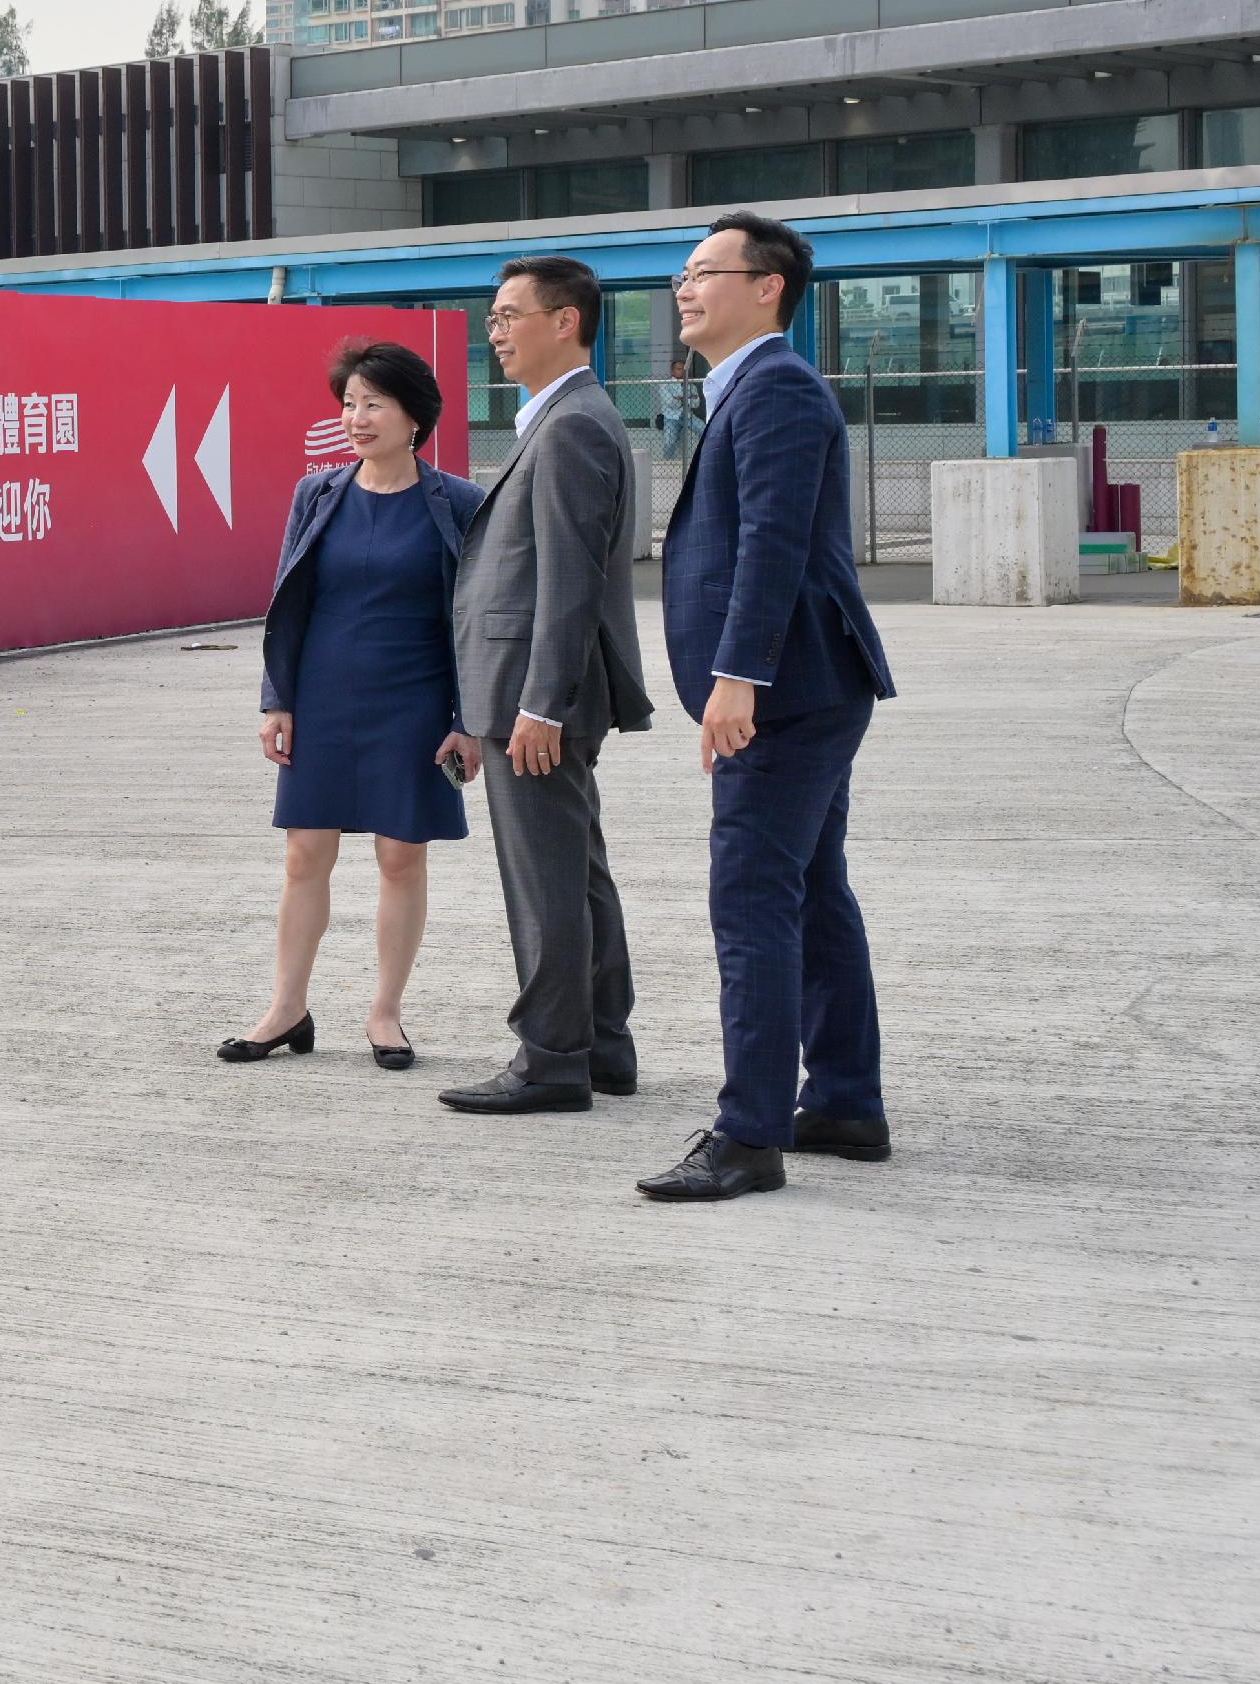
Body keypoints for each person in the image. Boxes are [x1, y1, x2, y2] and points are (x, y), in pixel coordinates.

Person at [641, 211, 897, 1204]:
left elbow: (774, 545)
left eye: (707, 271)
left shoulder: (778, 388)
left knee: (750, 899)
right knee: (811, 894)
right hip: (809, 686)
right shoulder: (746, 389)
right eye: (682, 273)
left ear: (768, 289)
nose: (684, 288)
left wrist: (735, 678)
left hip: (785, 691)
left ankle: (747, 1136)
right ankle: (842, 1101)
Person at [433, 256, 659, 1119]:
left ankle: (552, 1057)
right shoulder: (565, 418)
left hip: (536, 696)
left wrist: (539, 704)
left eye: (509, 314)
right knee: (576, 869)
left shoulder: (570, 426)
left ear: (565, 321)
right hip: (534, 688)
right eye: (491, 316)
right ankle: (601, 1044)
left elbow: (568, 580)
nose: (494, 330)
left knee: (546, 882)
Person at [235, 339, 486, 1067]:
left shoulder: (459, 503)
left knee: (400, 856)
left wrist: (467, 720)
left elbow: (472, 619)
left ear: (415, 416)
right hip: (322, 696)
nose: (357, 416)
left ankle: (385, 1013)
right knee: (304, 853)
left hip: (414, 700)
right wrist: (276, 699)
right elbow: (291, 601)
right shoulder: (317, 493)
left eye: (374, 402)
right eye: (349, 402)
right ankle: (286, 1008)